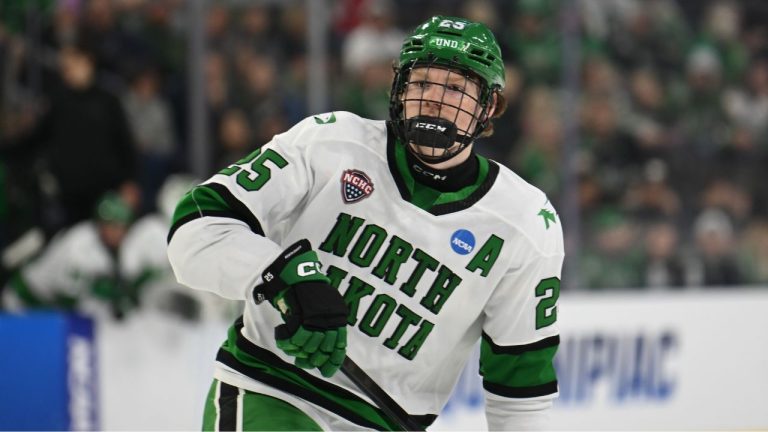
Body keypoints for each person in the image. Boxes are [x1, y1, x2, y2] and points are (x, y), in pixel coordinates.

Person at [167, 16, 563, 431]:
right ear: (398, 89)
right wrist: (284, 277)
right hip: (273, 387)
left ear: (491, 107)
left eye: (455, 89)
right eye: (422, 83)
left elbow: (520, 389)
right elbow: (196, 227)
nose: (434, 101)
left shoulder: (525, 225)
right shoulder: (331, 144)